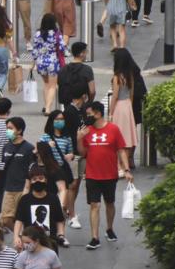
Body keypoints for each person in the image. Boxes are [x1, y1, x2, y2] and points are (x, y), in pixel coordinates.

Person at [77, 101, 132, 250]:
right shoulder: (86, 130)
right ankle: (95, 237)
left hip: (109, 174)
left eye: (90, 114)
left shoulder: (113, 129)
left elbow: (121, 150)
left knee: (109, 203)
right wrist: (79, 138)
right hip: (92, 174)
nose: (87, 117)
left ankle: (109, 228)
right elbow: (83, 153)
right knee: (94, 205)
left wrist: (126, 169)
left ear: (98, 113)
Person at [15, 163, 67, 251]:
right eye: (34, 179)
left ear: (46, 180)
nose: (37, 181)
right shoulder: (25, 199)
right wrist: (16, 237)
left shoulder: (53, 198)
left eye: (41, 178)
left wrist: (61, 235)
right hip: (29, 243)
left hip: (50, 242)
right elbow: (19, 220)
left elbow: (59, 220)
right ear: (30, 181)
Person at [41, 109, 79, 226]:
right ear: (51, 121)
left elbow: (71, 152)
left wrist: (70, 156)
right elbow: (39, 152)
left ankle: (61, 226)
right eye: (57, 119)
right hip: (49, 171)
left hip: (62, 171)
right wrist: (47, 146)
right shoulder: (46, 137)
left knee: (63, 195)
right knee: (50, 197)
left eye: (62, 119)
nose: (60, 121)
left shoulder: (67, 138)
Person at [0, 116, 35, 230]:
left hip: (23, 189)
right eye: (7, 128)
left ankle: (24, 238)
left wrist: (27, 188)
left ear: (19, 130)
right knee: (6, 219)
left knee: (23, 218)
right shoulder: (6, 147)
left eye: (10, 128)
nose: (7, 131)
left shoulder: (29, 148)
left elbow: (31, 170)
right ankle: (20, 236)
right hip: (9, 189)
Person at [110, 49, 140, 169]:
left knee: (118, 137)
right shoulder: (130, 76)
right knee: (127, 137)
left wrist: (111, 112)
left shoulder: (117, 77)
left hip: (119, 107)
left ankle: (119, 166)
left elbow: (115, 96)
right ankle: (125, 165)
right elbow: (131, 94)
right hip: (128, 106)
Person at [31, 14, 66, 115]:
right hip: (52, 62)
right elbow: (62, 48)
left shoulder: (38, 34)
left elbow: (35, 50)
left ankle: (46, 105)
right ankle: (48, 108)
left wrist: (33, 63)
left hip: (41, 62)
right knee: (52, 86)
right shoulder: (56, 34)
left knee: (46, 84)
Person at [58, 41, 96, 108]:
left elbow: (59, 85)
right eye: (86, 52)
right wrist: (89, 102)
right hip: (82, 103)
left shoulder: (63, 69)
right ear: (82, 54)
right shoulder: (87, 70)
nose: (86, 54)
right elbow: (92, 91)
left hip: (67, 104)